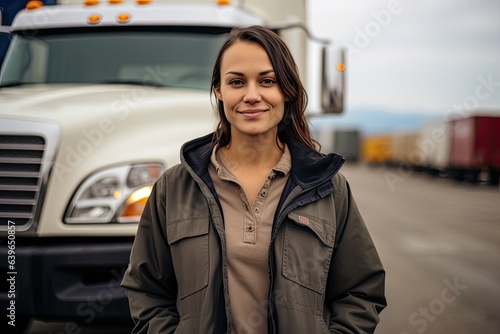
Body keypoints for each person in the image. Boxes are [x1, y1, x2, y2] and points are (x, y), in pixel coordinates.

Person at [121, 25, 386, 334]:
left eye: (267, 81)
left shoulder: (328, 189)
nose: (251, 95)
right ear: (219, 90)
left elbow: (361, 291)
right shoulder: (174, 187)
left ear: (286, 91)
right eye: (236, 82)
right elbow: (146, 289)